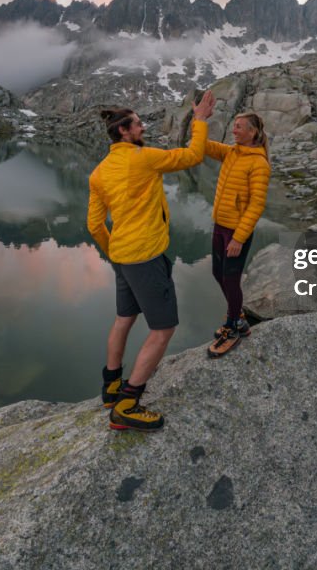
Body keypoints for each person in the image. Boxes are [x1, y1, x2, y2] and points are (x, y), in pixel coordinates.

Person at [88, 90, 216, 431]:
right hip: (146, 256)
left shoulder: (99, 173)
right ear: (124, 132)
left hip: (122, 257)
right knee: (163, 329)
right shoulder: (143, 158)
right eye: (139, 124)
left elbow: (94, 225)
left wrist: (114, 250)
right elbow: (192, 156)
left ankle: (111, 385)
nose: (144, 127)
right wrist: (200, 121)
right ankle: (128, 403)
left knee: (124, 318)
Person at [204, 112, 271, 357]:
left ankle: (233, 327)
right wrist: (200, 120)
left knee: (231, 279)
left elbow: (256, 206)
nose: (234, 130)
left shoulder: (259, 163)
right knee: (217, 273)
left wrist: (239, 238)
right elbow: (202, 146)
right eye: (233, 126)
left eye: (239, 127)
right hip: (220, 226)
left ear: (253, 133)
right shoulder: (231, 152)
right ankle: (239, 316)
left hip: (236, 232)